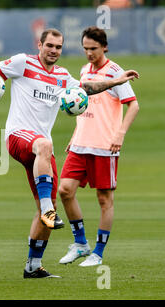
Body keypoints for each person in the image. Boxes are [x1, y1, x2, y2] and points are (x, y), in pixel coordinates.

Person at [0, 28, 139, 278]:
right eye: (50, 46)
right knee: (45, 148)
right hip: (19, 137)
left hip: (41, 151)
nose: (54, 50)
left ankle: (33, 265)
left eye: (58, 47)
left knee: (50, 202)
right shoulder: (23, 63)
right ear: (40, 45)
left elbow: (86, 88)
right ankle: (47, 210)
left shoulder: (63, 76)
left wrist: (116, 82)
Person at [58, 26, 140, 267]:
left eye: (93, 49)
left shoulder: (115, 72)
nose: (89, 54)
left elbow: (133, 105)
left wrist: (120, 134)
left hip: (105, 146)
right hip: (80, 144)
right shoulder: (84, 71)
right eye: (85, 49)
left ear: (104, 47)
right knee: (64, 191)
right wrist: (74, 134)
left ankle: (98, 253)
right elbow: (83, 106)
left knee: (104, 200)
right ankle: (81, 244)